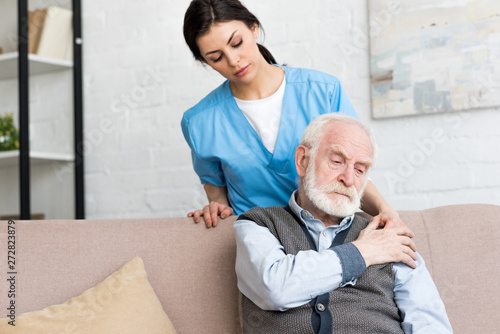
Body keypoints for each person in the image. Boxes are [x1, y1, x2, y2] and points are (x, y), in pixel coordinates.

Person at [182, 0, 402, 228]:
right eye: (216, 57)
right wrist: (216, 209)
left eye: (237, 43)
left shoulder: (323, 91)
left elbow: (352, 174)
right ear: (203, 60)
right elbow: (218, 198)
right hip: (259, 239)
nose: (233, 60)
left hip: (326, 232)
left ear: (254, 28)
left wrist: (385, 209)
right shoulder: (199, 122)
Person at [234, 114, 453, 333]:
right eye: (337, 161)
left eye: (359, 170)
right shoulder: (258, 224)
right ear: (303, 161)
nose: (348, 179)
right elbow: (274, 289)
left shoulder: (389, 236)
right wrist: (363, 252)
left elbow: (429, 321)